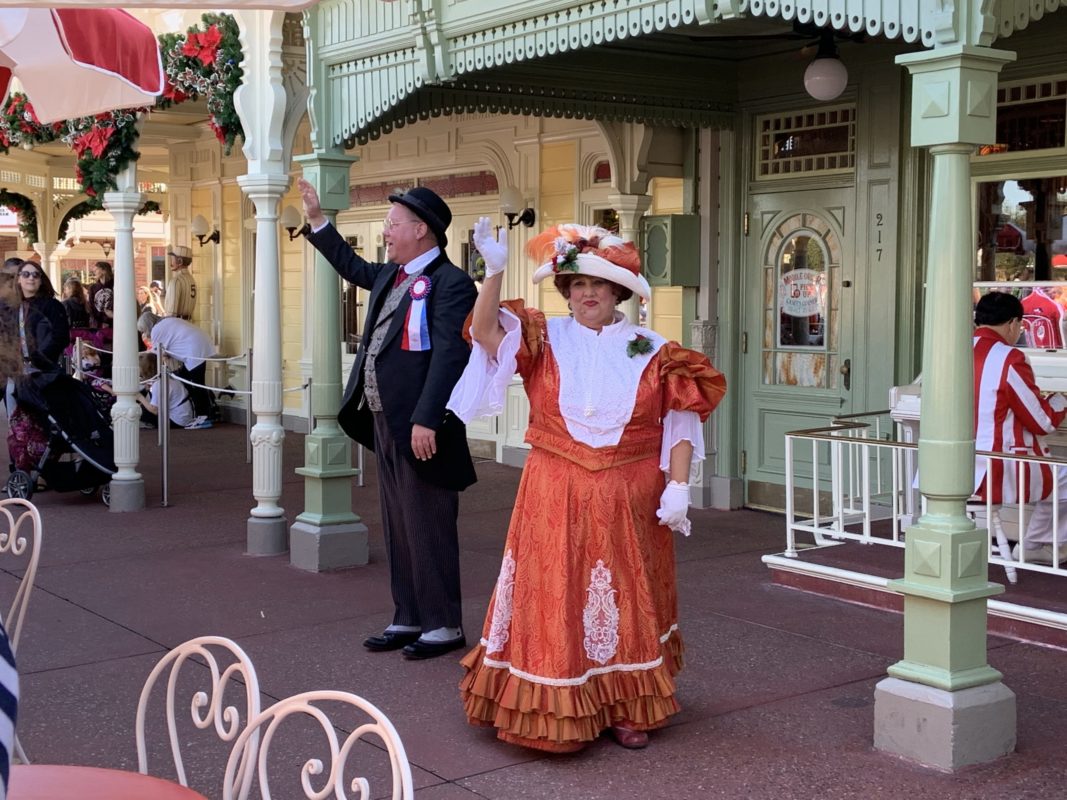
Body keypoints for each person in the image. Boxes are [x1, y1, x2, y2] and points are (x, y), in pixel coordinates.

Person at [448, 219, 726, 752]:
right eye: (577, 285)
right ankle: (559, 706)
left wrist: (680, 486)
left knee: (625, 597)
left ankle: (626, 708)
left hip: (631, 493)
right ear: (566, 292)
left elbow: (681, 423)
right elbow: (483, 333)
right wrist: (495, 271)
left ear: (617, 291)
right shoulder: (543, 336)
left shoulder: (655, 349)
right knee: (557, 593)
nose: (587, 294)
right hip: (554, 488)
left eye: (597, 285)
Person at [298, 177, 477, 660]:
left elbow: (448, 357)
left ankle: (443, 623)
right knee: (399, 523)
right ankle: (409, 615)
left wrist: (427, 419)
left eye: (392, 224)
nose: (385, 231)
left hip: (422, 427)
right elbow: (351, 265)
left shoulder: (453, 283)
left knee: (429, 522)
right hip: (383, 418)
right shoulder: (390, 276)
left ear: (421, 230)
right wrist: (317, 219)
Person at [973, 291, 1067, 565]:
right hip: (994, 466)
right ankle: (1037, 543)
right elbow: (1043, 422)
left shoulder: (951, 350)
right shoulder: (1009, 358)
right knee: (1064, 477)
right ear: (1013, 323)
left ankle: (1038, 542)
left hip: (951, 465)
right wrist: (1059, 399)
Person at [7, 262, 70, 472]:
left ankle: (45, 467)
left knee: (45, 420)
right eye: (25, 274)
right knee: (17, 421)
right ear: (18, 279)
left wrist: (41, 358)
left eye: (35, 275)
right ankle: (19, 469)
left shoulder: (52, 306)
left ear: (41, 279)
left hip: (45, 373)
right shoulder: (11, 307)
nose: (30, 278)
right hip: (16, 372)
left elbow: (61, 337)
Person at [137, 311, 216, 426]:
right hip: (199, 345)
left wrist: (150, 378)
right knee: (188, 380)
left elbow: (153, 358)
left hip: (194, 350)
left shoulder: (156, 331)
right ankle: (202, 414)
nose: (144, 333)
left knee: (197, 385)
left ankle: (205, 416)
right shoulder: (167, 321)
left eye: (143, 330)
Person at [164, 245, 197, 321]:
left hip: (178, 326)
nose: (171, 262)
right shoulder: (191, 279)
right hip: (189, 324)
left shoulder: (176, 281)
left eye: (173, 259)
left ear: (180, 261)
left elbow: (171, 314)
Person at [87, 261, 114, 331]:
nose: (94, 272)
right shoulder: (93, 287)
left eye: (96, 270)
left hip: (114, 323)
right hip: (98, 325)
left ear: (104, 271)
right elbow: (91, 307)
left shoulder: (115, 285)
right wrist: (100, 322)